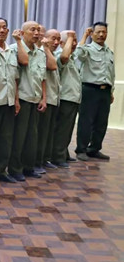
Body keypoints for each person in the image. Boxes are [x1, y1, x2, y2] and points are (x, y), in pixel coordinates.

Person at [0, 18, 28, 184]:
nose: (2, 31)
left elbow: (15, 78)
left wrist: (16, 99)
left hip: (9, 102)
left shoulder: (11, 51)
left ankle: (0, 170)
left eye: (4, 28)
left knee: (5, 139)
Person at [8, 21, 47, 181]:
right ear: (23, 33)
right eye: (32, 30)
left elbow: (43, 77)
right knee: (19, 137)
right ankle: (15, 169)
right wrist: (16, 99)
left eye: (38, 30)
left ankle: (28, 167)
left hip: (35, 98)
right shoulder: (14, 49)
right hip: (23, 98)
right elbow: (14, 78)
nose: (37, 33)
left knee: (32, 136)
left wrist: (44, 98)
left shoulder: (40, 53)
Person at [75, 22, 115, 160]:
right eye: (98, 32)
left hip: (105, 91)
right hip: (90, 89)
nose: (101, 35)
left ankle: (94, 149)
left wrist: (111, 91)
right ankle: (81, 149)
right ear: (92, 34)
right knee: (86, 121)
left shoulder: (109, 52)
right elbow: (79, 54)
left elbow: (111, 73)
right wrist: (84, 36)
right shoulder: (87, 49)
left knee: (101, 122)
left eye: (104, 32)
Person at [52, 30, 80, 167]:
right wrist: (69, 37)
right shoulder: (60, 55)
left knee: (68, 129)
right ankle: (58, 156)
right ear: (62, 43)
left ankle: (64, 153)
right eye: (71, 40)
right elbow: (64, 57)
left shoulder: (73, 58)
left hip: (73, 98)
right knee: (62, 129)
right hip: (65, 98)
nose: (74, 43)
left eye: (75, 40)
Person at [35, 29, 60, 173]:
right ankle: (37, 161)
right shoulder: (41, 52)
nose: (56, 42)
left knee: (48, 133)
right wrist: (45, 48)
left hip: (53, 98)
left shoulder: (51, 53)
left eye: (58, 39)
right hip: (43, 98)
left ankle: (45, 159)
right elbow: (52, 66)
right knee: (41, 133)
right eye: (53, 39)